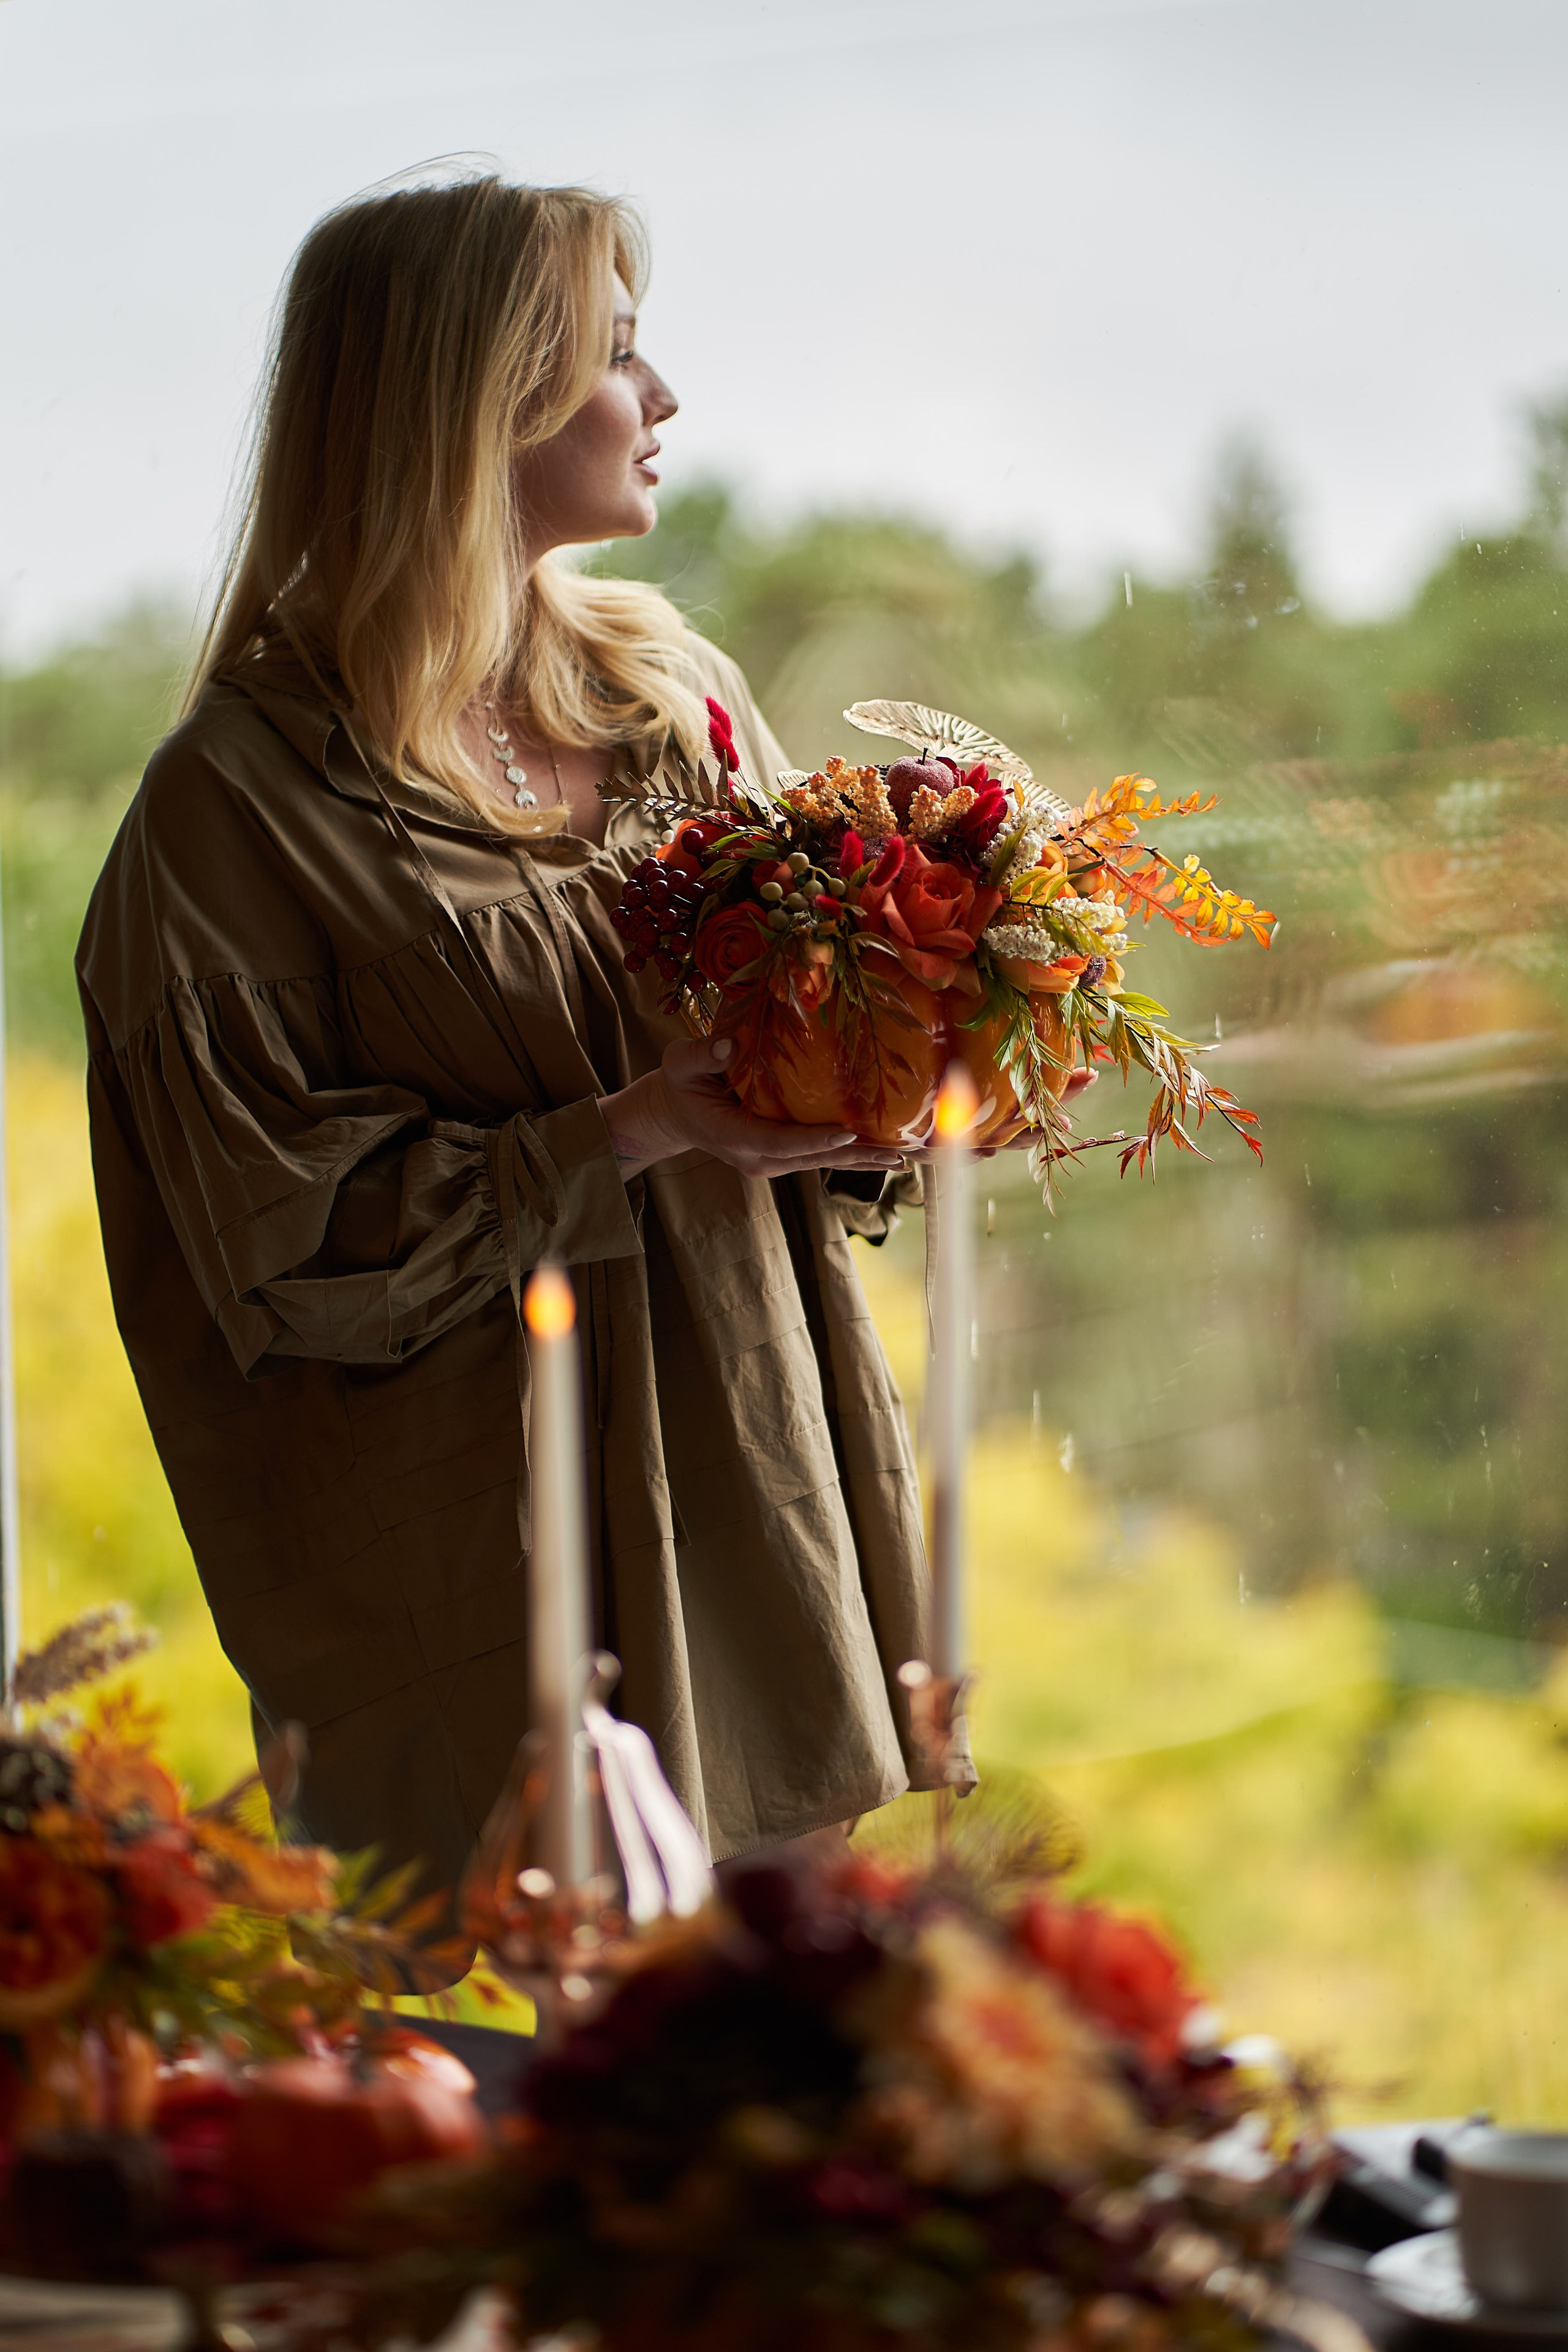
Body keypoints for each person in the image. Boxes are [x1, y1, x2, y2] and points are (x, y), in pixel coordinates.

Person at [77, 173, 1080, 1915]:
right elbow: (275, 1249)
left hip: (757, 1507)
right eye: (618, 354)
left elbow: (795, 1072)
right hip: (487, 1576)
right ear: (472, 406)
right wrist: (619, 1131)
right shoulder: (233, 810)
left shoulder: (667, 700)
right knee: (545, 2106)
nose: (667, 399)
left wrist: (896, 1078)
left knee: (773, 2085)